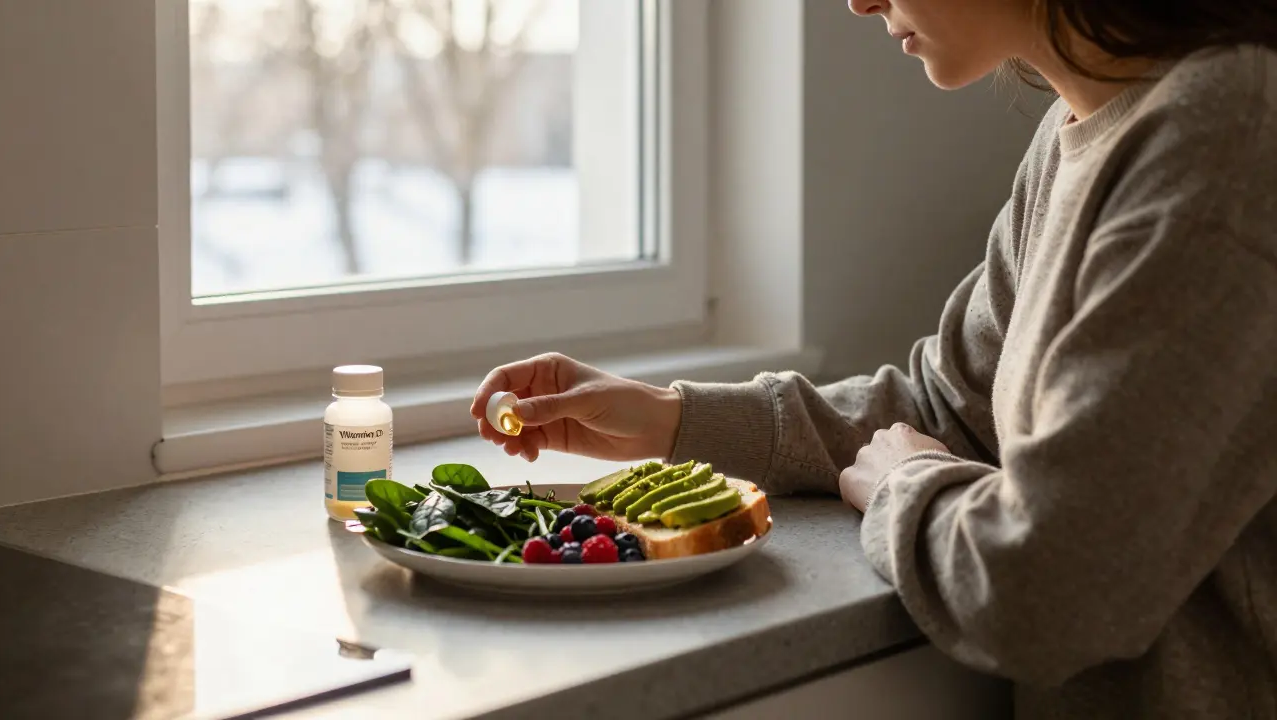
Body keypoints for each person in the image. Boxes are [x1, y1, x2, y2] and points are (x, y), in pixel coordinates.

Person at [470, 1, 1277, 717]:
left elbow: (1053, 594)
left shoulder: (1225, 141)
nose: (859, 2)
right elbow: (945, 407)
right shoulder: (1083, 129)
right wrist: (674, 422)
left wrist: (903, 486)